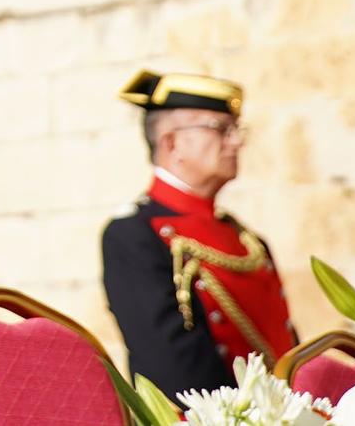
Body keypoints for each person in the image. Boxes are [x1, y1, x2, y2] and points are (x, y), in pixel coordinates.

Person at [102, 70, 296, 399]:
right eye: (221, 129)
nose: (237, 141)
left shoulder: (248, 240)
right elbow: (171, 367)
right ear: (172, 142)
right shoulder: (135, 235)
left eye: (237, 129)